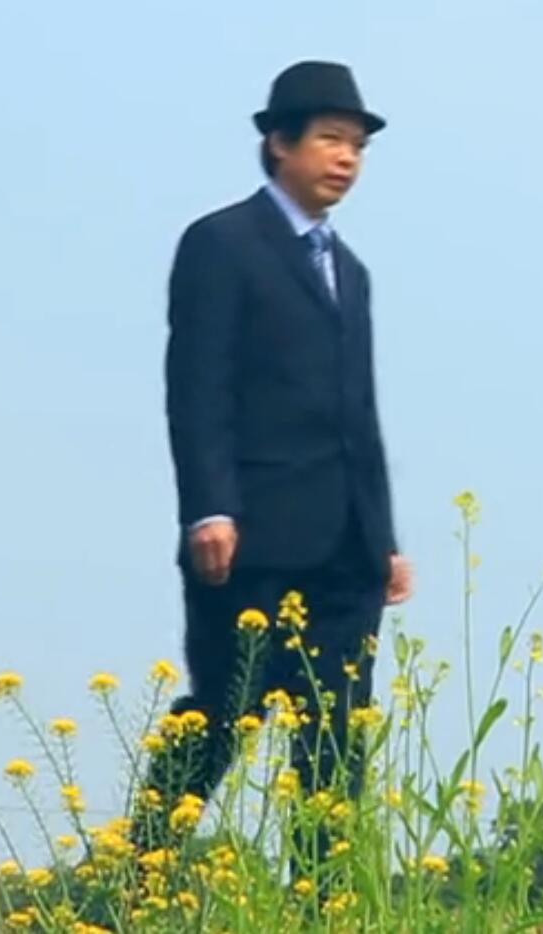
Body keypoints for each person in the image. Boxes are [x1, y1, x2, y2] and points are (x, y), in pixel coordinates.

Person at [136, 60, 412, 872]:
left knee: (335, 742)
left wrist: (384, 540)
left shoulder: (350, 272)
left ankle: (319, 902)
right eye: (330, 139)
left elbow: (359, 417)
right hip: (251, 543)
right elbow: (198, 388)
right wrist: (209, 507)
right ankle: (135, 879)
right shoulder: (222, 244)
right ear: (279, 143)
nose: (346, 158)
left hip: (344, 554)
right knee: (222, 716)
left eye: (357, 144)